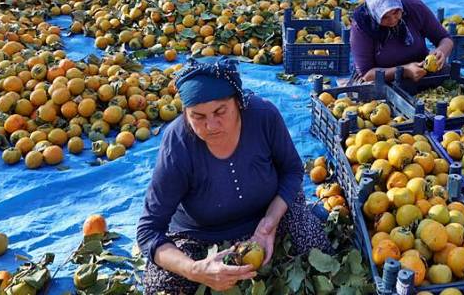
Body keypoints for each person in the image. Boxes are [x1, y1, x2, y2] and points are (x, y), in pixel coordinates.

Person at [137, 58, 330, 294]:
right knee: (161, 287)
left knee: (318, 250)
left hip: (267, 217)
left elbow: (292, 171)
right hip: (200, 237)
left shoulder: (263, 116)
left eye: (220, 111)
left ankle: (302, 217)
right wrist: (195, 269)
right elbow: (148, 230)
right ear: (185, 113)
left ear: (238, 102)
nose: (211, 125)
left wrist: (268, 225)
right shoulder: (178, 144)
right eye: (198, 116)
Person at [350, 0, 454, 83]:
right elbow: (366, 74)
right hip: (381, 79)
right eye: (385, 17)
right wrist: (404, 71)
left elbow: (445, 38)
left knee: (454, 82)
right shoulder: (362, 26)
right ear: (374, 14)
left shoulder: (414, 7)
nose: (392, 20)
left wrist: (441, 52)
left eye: (396, 12)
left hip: (421, 70)